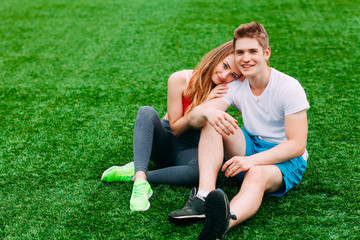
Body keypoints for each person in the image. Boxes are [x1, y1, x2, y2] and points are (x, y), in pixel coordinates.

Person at [168, 22, 310, 239]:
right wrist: (207, 113)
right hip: (251, 143)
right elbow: (197, 118)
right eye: (240, 52)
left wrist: (251, 161)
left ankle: (222, 224)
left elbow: (297, 145)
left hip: (284, 158)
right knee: (215, 120)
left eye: (253, 51)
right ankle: (204, 195)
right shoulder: (235, 84)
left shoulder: (289, 87)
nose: (246, 58)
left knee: (256, 173)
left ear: (266, 53)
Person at [101, 41, 242, 212]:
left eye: (233, 75)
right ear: (216, 57)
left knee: (200, 172)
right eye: (225, 65)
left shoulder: (225, 92)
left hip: (190, 150)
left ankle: (139, 173)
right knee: (146, 112)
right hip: (165, 141)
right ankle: (140, 181)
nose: (224, 75)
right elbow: (176, 129)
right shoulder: (180, 79)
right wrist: (205, 104)